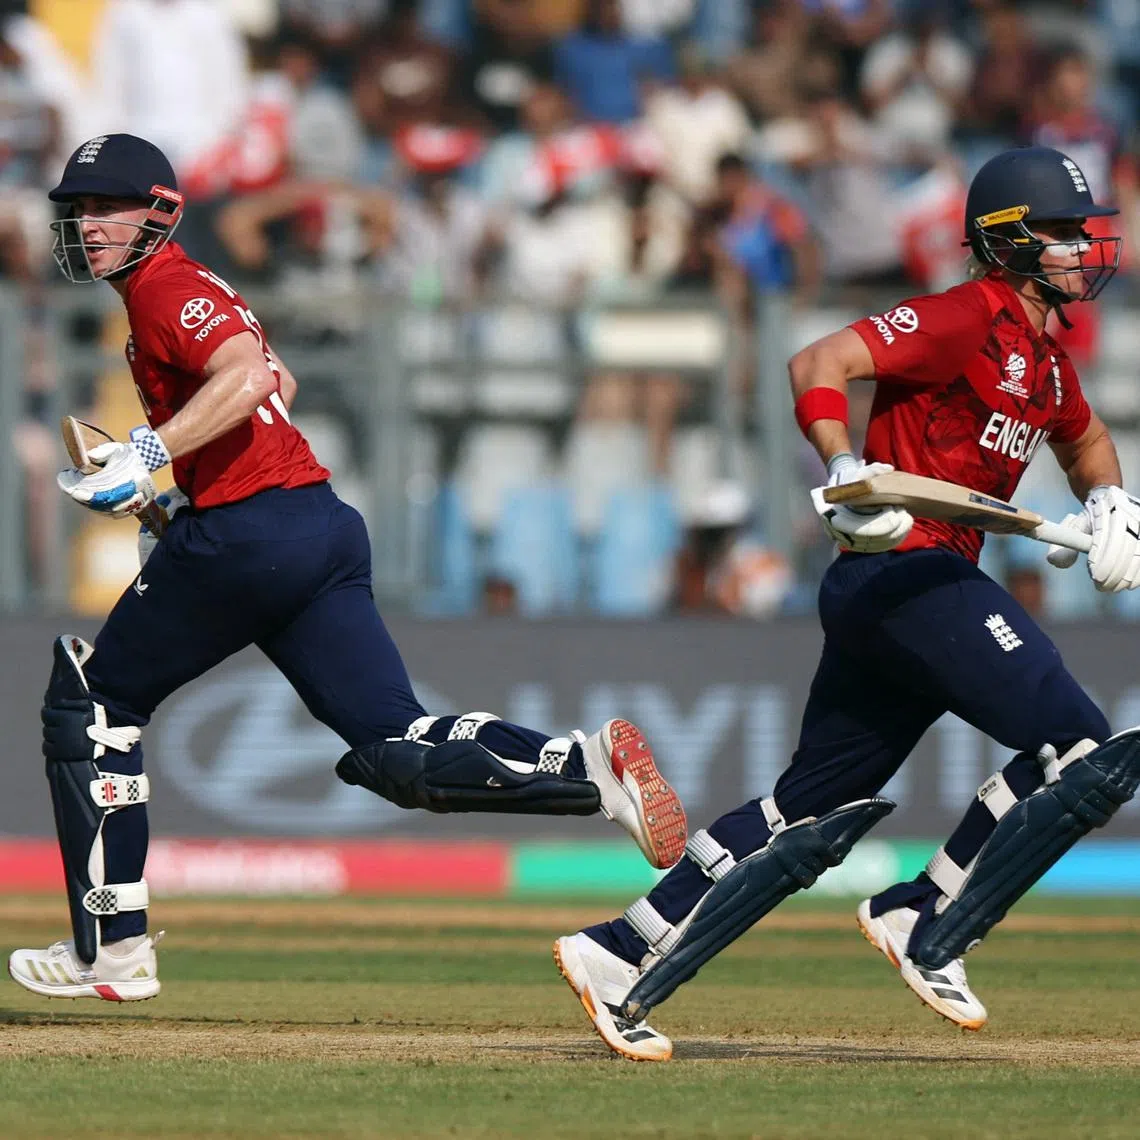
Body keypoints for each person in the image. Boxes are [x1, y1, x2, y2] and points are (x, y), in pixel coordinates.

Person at [6, 133, 688, 1003]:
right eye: (78, 210)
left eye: (107, 207)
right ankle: (586, 767)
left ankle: (112, 949)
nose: (87, 225)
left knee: (94, 705)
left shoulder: (166, 288)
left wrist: (149, 455)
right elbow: (280, 382)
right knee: (394, 748)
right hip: (315, 524)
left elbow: (251, 379)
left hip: (253, 533)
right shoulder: (188, 287)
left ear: (161, 213)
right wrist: (178, 496)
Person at [552, 144, 1140, 1061]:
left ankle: (619, 950)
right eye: (1061, 231)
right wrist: (842, 462)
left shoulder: (1049, 363)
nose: (1080, 248)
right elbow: (819, 360)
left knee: (808, 815)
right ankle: (925, 913)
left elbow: (1088, 438)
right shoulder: (961, 317)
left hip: (908, 587)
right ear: (1006, 239)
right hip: (906, 568)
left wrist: (1109, 501)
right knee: (1082, 747)